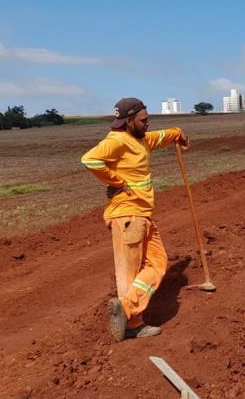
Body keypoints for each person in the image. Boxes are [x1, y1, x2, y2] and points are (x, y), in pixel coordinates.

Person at [81, 98, 189, 342]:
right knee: (128, 274)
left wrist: (177, 133)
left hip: (142, 216)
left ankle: (127, 308)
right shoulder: (117, 140)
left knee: (158, 263)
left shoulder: (139, 140)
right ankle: (132, 324)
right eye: (143, 120)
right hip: (127, 216)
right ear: (129, 122)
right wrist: (117, 182)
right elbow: (90, 159)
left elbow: (158, 137)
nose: (147, 123)